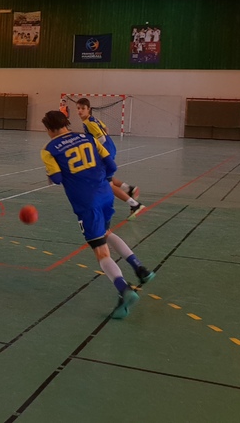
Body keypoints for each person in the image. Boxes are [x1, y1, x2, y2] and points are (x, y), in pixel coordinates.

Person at [40, 110, 154, 319]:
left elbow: (56, 179)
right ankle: (140, 268)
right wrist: (98, 179)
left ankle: (123, 289)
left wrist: (56, 174)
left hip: (87, 203)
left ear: (49, 129)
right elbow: (111, 165)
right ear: (66, 123)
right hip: (106, 195)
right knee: (107, 232)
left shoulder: (49, 149)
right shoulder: (88, 138)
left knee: (101, 252)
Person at [74, 98, 146, 219]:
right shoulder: (93, 119)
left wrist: (92, 150)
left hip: (105, 153)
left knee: (108, 184)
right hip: (110, 148)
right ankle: (128, 189)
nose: (80, 111)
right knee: (105, 176)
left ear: (89, 109)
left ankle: (135, 205)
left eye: (83, 108)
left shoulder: (89, 123)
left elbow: (101, 139)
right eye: (78, 108)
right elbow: (106, 129)